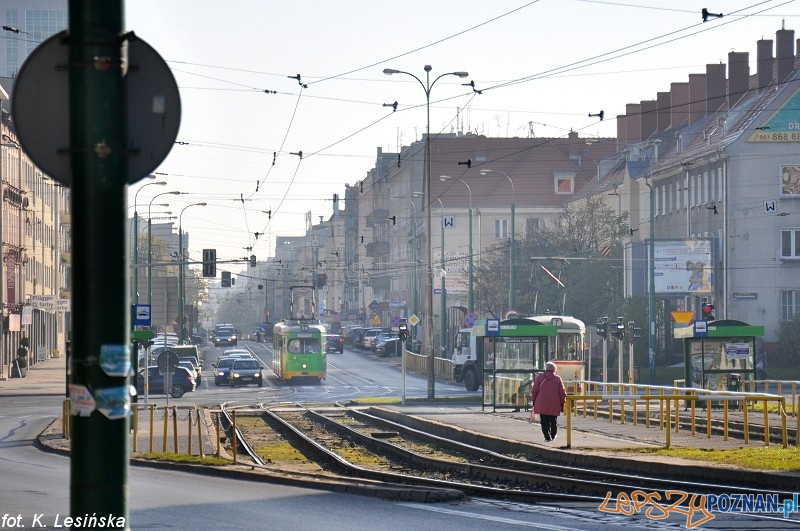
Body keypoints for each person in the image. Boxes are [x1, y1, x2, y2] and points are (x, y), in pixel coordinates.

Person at [530, 361, 566, 443]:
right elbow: (562, 392)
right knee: (553, 420)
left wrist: (534, 400)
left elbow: (534, 390)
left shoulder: (539, 378)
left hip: (542, 403)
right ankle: (553, 435)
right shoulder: (557, 379)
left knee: (544, 421)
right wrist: (562, 402)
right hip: (554, 403)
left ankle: (547, 436)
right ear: (554, 370)